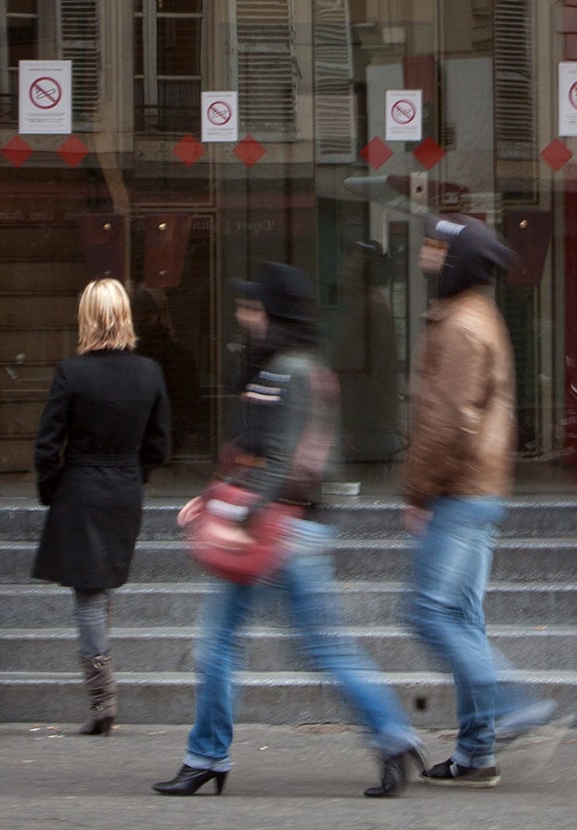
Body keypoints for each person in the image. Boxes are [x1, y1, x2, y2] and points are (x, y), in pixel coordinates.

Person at [153, 263, 425, 799]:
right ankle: (391, 738)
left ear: (274, 311)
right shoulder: (286, 365)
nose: (243, 315)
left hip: (281, 531)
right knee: (297, 648)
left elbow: (280, 459)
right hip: (285, 527)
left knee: (244, 647)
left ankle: (210, 756)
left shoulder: (292, 370)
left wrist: (239, 516)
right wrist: (214, 498)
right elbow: (249, 454)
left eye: (253, 307)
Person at [402, 214, 554, 788]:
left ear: (457, 260)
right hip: (479, 489)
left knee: (425, 612)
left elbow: (448, 423)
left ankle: (512, 702)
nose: (426, 254)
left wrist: (419, 492)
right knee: (463, 620)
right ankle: (475, 753)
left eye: (436, 246)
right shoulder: (476, 317)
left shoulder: (461, 326)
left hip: (459, 491)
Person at [31, 277, 173, 734]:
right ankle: (101, 694)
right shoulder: (149, 372)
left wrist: (53, 488)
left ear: (86, 317)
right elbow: (160, 444)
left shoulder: (72, 372)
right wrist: (136, 475)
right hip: (124, 487)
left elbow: (46, 445)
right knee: (102, 587)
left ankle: (101, 697)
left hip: (81, 487)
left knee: (89, 596)